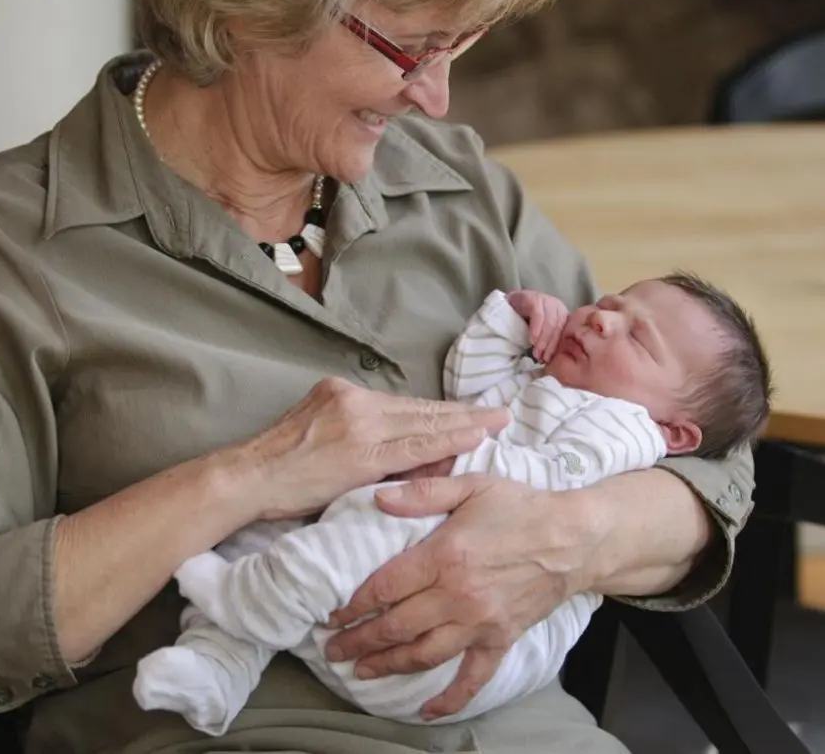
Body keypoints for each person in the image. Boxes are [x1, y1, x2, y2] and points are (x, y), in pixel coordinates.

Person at [0, 0, 757, 753]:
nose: (435, 97)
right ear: (252, 11)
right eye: (410, 48)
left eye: (460, 45)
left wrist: (575, 536)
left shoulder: (459, 188)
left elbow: (711, 449)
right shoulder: (4, 248)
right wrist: (247, 477)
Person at [133, 273, 771, 736]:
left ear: (675, 433)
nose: (603, 319)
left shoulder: (624, 432)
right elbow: (469, 379)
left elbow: (548, 483)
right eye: (610, 305)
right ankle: (220, 669)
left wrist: (457, 456)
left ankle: (247, 609)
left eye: (639, 340)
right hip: (381, 607)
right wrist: (514, 320)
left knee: (364, 524)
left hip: (445, 653)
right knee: (270, 531)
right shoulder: (544, 382)